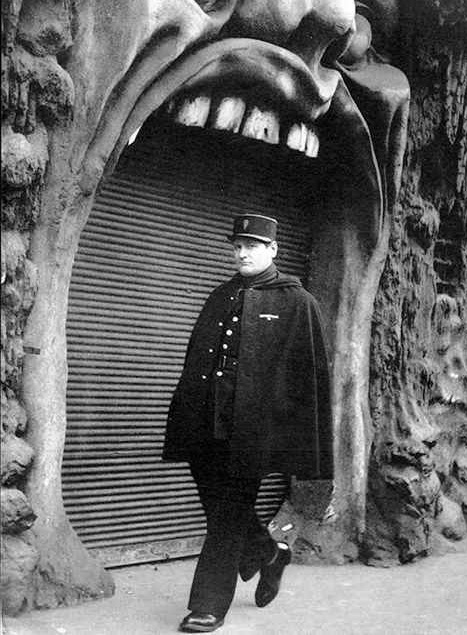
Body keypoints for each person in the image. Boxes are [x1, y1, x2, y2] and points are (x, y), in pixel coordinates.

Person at [163, 213, 333, 633]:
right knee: (218, 505)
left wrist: (289, 437)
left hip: (254, 431)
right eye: (237, 246)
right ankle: (270, 553)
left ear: (273, 250)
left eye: (252, 246)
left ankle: (207, 607)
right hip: (208, 422)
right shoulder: (220, 296)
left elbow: (307, 378)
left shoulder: (298, 302)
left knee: (227, 514)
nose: (242, 253)